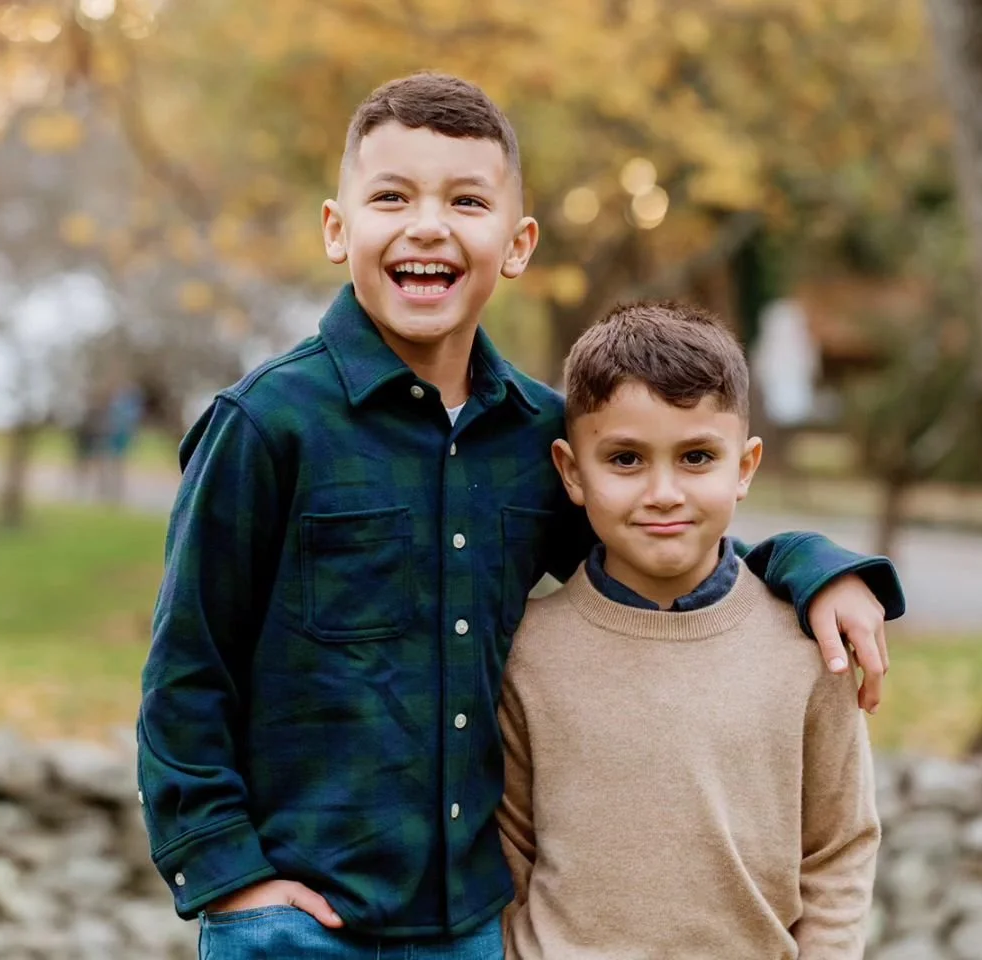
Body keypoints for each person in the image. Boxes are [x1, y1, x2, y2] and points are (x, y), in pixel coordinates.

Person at [137, 72, 902, 960]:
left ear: (517, 243)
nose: (428, 224)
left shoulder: (543, 438)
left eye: (467, 200)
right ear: (337, 229)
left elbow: (662, 546)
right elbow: (187, 672)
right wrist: (234, 882)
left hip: (476, 926)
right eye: (392, 197)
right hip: (300, 926)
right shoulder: (267, 426)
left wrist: (813, 568)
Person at [499, 301, 881, 960]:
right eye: (625, 460)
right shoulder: (526, 653)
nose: (664, 492)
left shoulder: (809, 647)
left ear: (746, 466)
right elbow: (509, 861)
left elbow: (838, 849)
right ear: (571, 472)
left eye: (697, 456)